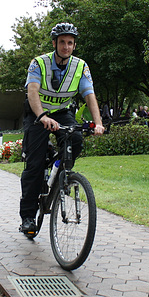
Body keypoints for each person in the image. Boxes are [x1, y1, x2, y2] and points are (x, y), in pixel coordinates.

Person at [19, 22, 104, 234]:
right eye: (63, 42)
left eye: (71, 43)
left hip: (62, 112)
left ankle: (59, 175)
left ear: (74, 45)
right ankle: (28, 217)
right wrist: (41, 116)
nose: (66, 46)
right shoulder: (38, 63)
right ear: (55, 43)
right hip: (37, 112)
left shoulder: (81, 67)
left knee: (75, 139)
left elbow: (89, 95)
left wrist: (98, 122)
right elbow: (32, 92)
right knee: (34, 165)